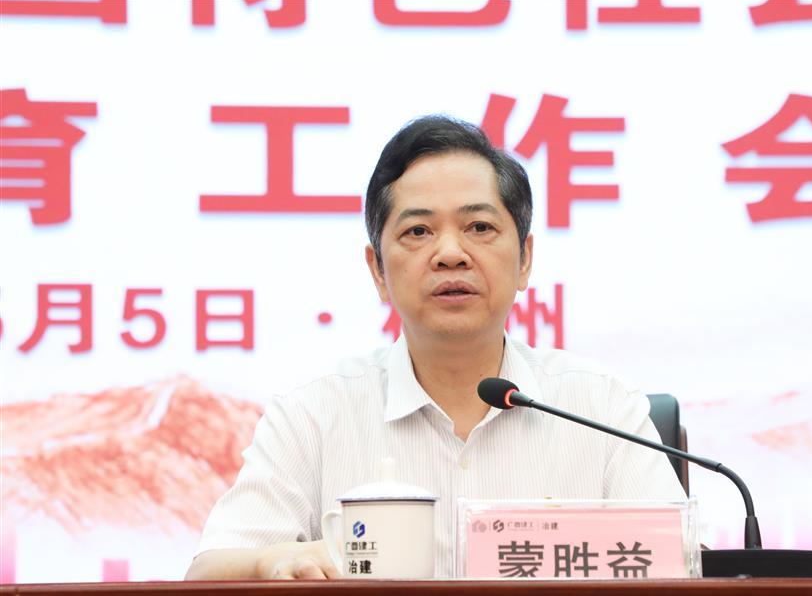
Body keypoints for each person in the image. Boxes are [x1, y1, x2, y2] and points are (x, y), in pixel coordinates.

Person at [185, 115, 686, 581]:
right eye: (418, 231)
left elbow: (682, 568)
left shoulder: (601, 408)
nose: (450, 254)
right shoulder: (313, 415)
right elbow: (208, 571)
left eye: (479, 227)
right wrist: (275, 560)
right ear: (378, 271)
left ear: (525, 259)